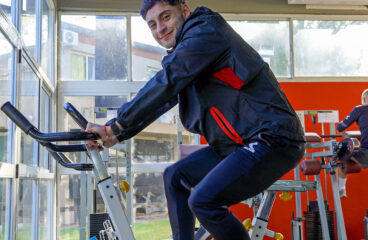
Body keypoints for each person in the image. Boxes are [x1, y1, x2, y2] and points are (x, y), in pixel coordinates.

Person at [86, 1, 306, 239]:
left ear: (185, 9)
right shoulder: (187, 54)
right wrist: (116, 133)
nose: (160, 28)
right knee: (175, 176)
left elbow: (169, 79)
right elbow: (164, 98)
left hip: (274, 137)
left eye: (166, 17)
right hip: (238, 144)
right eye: (152, 24)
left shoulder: (205, 31)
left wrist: (117, 124)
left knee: (203, 200)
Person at [336, 89, 368, 199]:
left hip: (366, 152)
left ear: (364, 99)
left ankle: (341, 188)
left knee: (341, 153)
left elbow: (340, 127)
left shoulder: (359, 109)